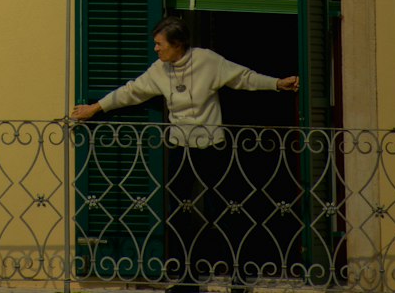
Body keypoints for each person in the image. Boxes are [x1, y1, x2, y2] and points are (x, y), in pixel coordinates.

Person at [71, 17, 299, 293]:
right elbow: (131, 92)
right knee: (179, 213)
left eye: (159, 44)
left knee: (225, 211)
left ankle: (238, 278)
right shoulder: (160, 70)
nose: (155, 49)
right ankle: (187, 279)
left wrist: (277, 84)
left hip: (212, 148)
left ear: (177, 44)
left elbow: (243, 77)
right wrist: (95, 108)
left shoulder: (207, 61)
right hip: (181, 150)